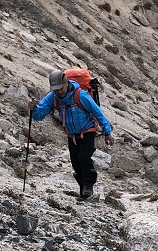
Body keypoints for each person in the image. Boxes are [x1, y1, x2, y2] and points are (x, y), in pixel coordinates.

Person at [29, 70, 114, 200]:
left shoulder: (81, 95)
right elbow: (39, 115)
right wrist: (34, 109)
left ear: (66, 82)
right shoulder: (53, 97)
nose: (59, 92)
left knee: (84, 157)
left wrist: (107, 132)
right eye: (55, 89)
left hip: (88, 131)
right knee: (75, 163)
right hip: (71, 135)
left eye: (60, 88)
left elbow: (98, 113)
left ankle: (88, 185)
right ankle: (83, 191)